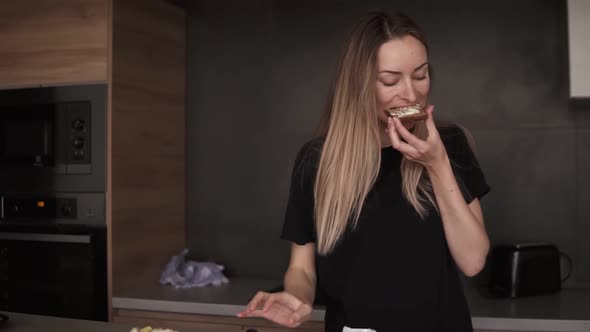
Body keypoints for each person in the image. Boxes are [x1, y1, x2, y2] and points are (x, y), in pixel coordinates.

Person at [237, 10, 491, 332]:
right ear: (359, 84)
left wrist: (437, 163)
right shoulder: (317, 160)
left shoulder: (449, 144)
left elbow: (473, 261)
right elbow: (302, 269)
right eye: (390, 80)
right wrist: (296, 296)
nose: (411, 94)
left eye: (421, 75)